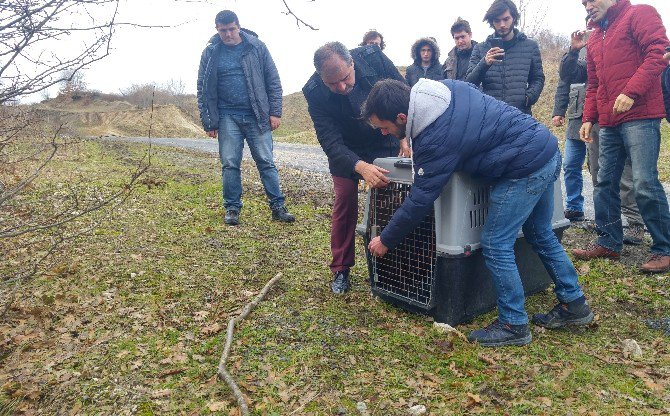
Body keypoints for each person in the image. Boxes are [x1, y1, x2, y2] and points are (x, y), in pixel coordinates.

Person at [362, 78, 593, 347]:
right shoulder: (444, 88)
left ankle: (513, 323)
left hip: (523, 170)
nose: (383, 133)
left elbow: (421, 198)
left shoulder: (435, 138)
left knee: (496, 243)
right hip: (545, 149)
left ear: (402, 117)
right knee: (539, 233)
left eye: (384, 127)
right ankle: (574, 303)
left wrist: (386, 239)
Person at [572, 0, 670, 274]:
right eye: (583, 2)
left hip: (641, 114)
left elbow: (658, 53)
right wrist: (589, 118)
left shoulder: (639, 13)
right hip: (609, 119)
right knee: (603, 181)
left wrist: (631, 92)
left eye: (592, 0)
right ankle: (609, 241)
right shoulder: (594, 38)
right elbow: (594, 84)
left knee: (643, 181)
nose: (588, 5)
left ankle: (664, 248)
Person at [303, 41, 408, 294]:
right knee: (344, 200)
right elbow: (329, 140)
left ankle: (391, 261)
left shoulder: (374, 59)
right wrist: (360, 167)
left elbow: (404, 96)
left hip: (384, 138)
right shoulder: (314, 92)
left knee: (390, 198)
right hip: (346, 150)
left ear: (352, 63)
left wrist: (404, 135)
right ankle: (341, 268)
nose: (341, 87)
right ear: (321, 77)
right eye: (332, 84)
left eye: (345, 78)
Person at [196, 10, 295, 226]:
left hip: (257, 115)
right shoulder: (210, 52)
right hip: (226, 116)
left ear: (238, 26)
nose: (228, 34)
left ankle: (278, 207)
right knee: (230, 163)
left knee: (266, 162)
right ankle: (232, 209)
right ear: (217, 30)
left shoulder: (257, 47)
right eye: (223, 30)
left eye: (231, 29)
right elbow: (203, 89)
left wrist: (275, 112)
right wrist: (209, 121)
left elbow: (273, 81)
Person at [557, 26, 645, 244]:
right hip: (592, 116)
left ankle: (635, 223)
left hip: (623, 114)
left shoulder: (625, 38)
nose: (590, 26)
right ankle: (605, 224)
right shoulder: (587, 48)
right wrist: (573, 51)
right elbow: (567, 76)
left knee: (625, 172)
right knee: (598, 172)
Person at [465, 0, 544, 114]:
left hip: (520, 115)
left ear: (514, 18)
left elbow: (538, 78)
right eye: (497, 20)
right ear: (492, 22)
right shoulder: (480, 48)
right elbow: (470, 82)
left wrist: (528, 98)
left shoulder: (530, 46)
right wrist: (484, 63)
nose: (502, 25)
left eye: (506, 19)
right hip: (490, 116)